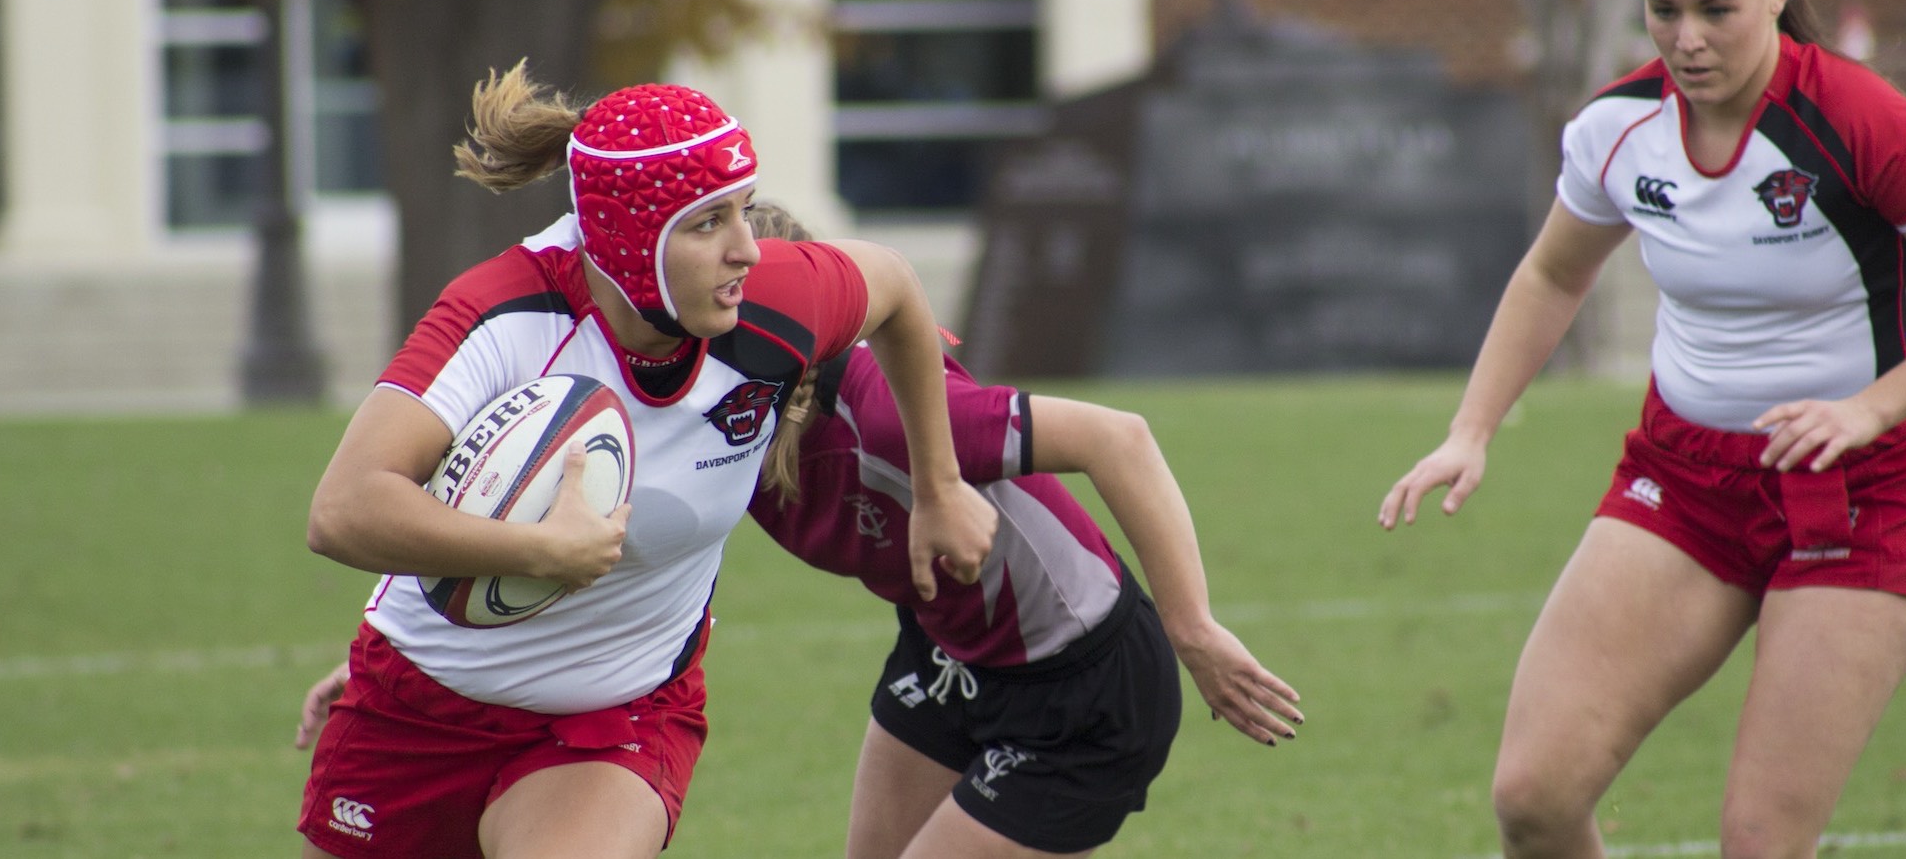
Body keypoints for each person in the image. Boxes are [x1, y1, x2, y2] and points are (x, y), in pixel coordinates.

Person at [299, 202, 1302, 858]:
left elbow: (1120, 437)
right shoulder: (714, 429)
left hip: (1083, 682)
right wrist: (407, 647)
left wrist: (1194, 628)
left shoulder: (884, 422)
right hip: (949, 651)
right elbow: (593, 541)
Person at [295, 63, 997, 859]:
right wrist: (540, 551)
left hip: (614, 717)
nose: (747, 251)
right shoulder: (504, 316)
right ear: (630, 243)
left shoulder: (772, 303)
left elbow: (897, 288)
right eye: (707, 224)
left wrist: (939, 488)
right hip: (417, 707)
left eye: (743, 211)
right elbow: (343, 509)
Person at [1379, 0, 1906, 857]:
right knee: (1535, 796)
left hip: (1864, 487)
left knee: (1760, 842)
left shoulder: (1859, 119)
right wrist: (1471, 430)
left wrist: (1870, 409)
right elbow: (1551, 275)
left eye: (1715, 11)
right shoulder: (1617, 129)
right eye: (1664, 11)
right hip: (1685, 478)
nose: (1686, 41)